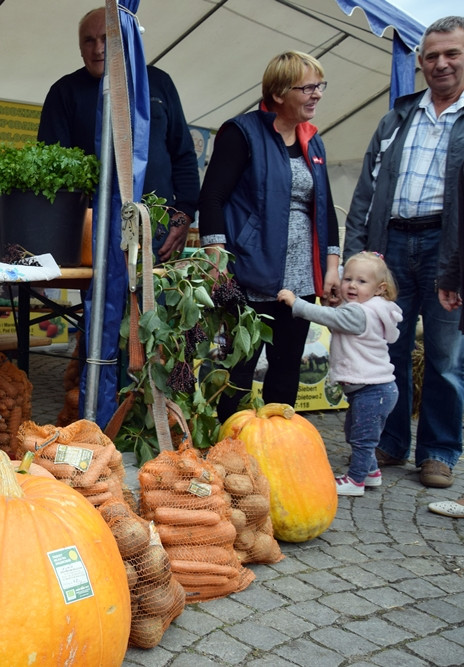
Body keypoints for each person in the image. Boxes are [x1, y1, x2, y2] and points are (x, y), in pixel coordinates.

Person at [343, 16, 464, 489]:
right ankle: (388, 443)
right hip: (390, 245)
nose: (441, 63)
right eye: (431, 56)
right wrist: (355, 255)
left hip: (446, 248)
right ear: (420, 61)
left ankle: (438, 451)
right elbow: (365, 194)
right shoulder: (398, 115)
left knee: (445, 355)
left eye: (452, 53)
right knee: (384, 350)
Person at [197, 51, 341, 422]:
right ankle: (229, 442)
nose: (317, 95)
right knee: (241, 366)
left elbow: (323, 206)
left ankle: (280, 444)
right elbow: (212, 197)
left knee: (287, 365)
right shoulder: (242, 133)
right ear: (278, 93)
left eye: (319, 86)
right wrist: (216, 258)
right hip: (249, 269)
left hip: (301, 278)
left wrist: (332, 266)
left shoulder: (314, 140)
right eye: (307, 87)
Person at [37, 6, 200, 262]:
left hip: (157, 229)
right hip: (94, 232)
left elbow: (184, 157)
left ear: (127, 40)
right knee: (100, 303)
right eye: (88, 41)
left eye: (106, 38)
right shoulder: (64, 92)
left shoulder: (158, 83)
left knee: (154, 302)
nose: (98, 48)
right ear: (80, 48)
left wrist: (182, 219)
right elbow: (50, 172)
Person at [278, 252, 402, 496]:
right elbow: (339, 318)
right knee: (356, 432)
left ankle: (355, 481)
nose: (352, 285)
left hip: (373, 390)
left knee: (363, 438)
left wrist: (297, 304)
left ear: (380, 288)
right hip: (371, 390)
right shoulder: (367, 309)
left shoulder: (361, 313)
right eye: (348, 279)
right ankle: (371, 473)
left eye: (361, 281)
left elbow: (330, 318)